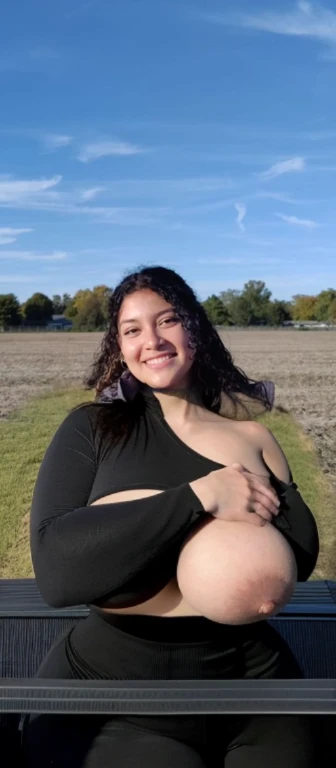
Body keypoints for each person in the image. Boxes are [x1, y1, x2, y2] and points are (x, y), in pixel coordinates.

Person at [23, 265, 319, 768]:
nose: (153, 340)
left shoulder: (254, 439)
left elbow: (300, 552)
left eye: (168, 321)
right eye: (133, 329)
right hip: (118, 696)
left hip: (259, 687)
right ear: (119, 347)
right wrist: (199, 497)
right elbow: (54, 569)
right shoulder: (94, 429)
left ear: (195, 331)